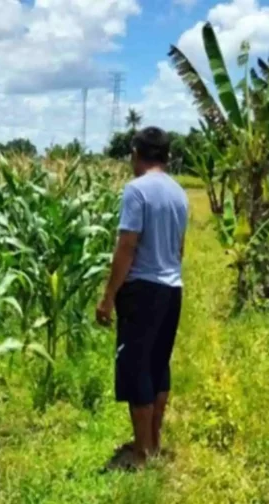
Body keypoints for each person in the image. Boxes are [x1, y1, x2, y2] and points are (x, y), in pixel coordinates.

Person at [95, 127, 188, 471]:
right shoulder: (179, 193)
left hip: (142, 291)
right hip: (171, 288)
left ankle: (141, 452)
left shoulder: (136, 191)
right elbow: (180, 248)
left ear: (136, 152)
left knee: (137, 368)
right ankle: (153, 443)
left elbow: (126, 247)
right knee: (158, 364)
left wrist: (108, 297)